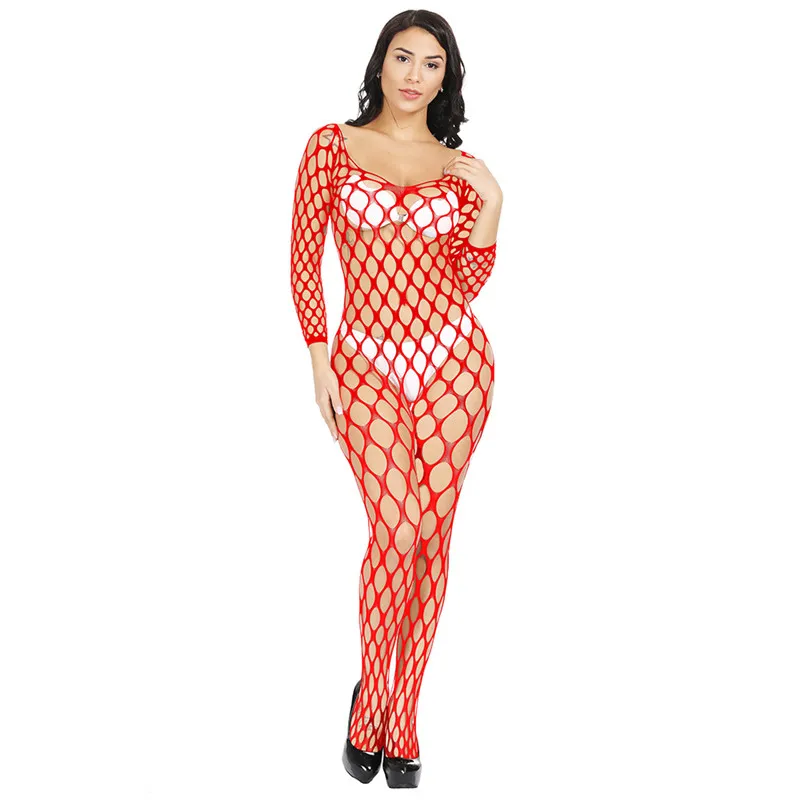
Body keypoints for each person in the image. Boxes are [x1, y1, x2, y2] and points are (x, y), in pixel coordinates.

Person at [289, 10, 502, 789]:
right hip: (364, 361)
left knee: (432, 537)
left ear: (447, 79)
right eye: (403, 57)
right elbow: (304, 260)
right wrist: (319, 360)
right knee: (399, 526)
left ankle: (401, 712)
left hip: (454, 360)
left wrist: (493, 207)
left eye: (432, 64)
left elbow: (465, 283)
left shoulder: (461, 168)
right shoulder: (331, 147)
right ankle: (369, 702)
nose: (415, 75)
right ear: (380, 64)